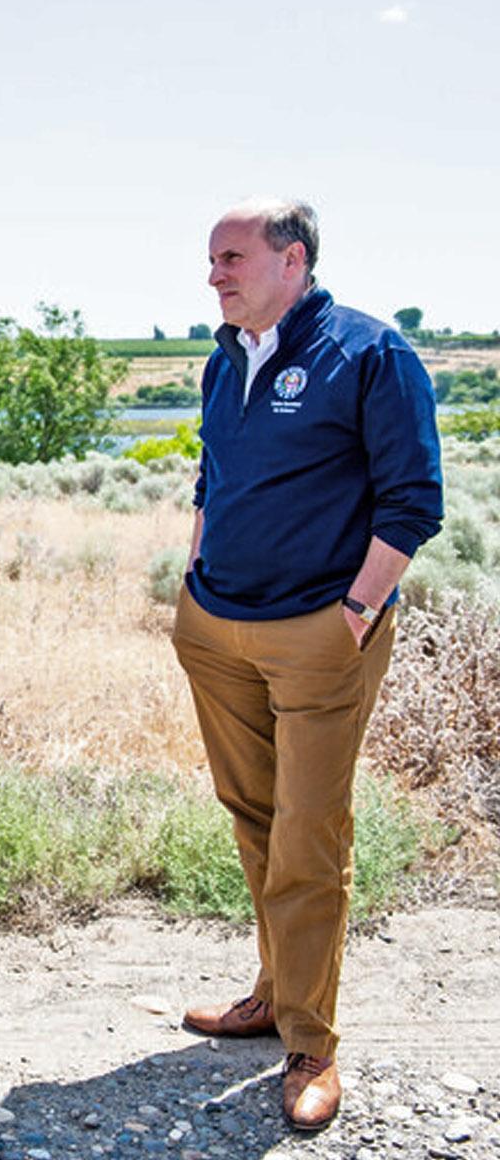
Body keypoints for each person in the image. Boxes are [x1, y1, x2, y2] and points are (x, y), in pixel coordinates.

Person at [172, 200, 443, 1129]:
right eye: (212, 259)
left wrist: (355, 614)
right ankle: (275, 989)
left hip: (321, 634)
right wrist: (195, 573)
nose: (215, 274)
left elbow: (412, 504)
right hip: (219, 626)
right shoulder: (225, 356)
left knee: (309, 833)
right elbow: (214, 472)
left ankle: (311, 1042)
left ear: (293, 260)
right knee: (254, 816)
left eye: (232, 257)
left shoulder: (372, 355)